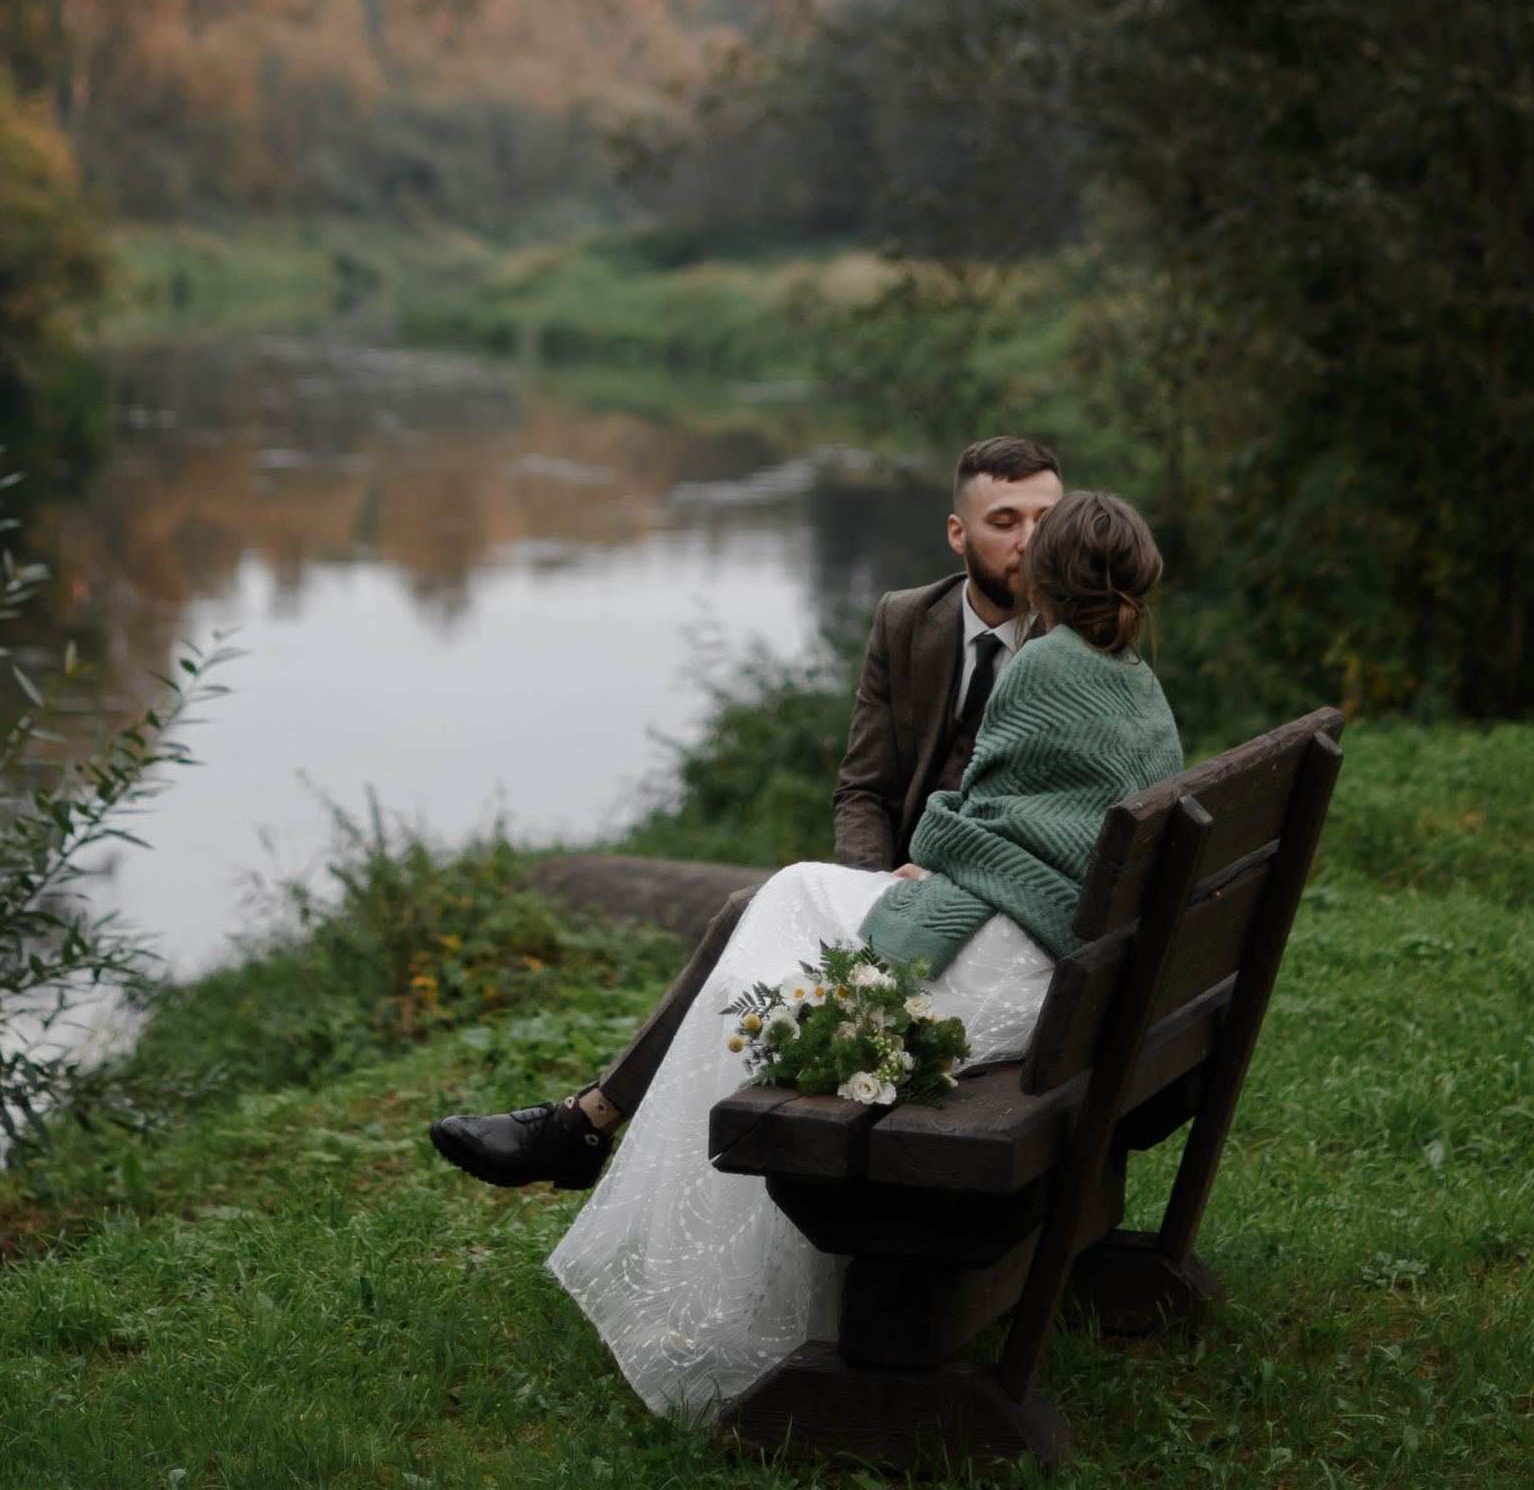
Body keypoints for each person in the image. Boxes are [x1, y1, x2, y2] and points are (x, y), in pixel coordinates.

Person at [544, 486, 1181, 1422]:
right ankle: (707, 1217)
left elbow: (979, 823)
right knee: (788, 915)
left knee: (787, 913)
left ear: (1049, 575)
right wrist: (946, 848)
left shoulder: (1045, 664)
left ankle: (711, 1286)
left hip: (1020, 967)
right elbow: (1041, 821)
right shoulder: (1136, 678)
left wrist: (934, 846)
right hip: (1076, 972)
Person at [428, 435, 1068, 1191]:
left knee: (750, 912)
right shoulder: (906, 620)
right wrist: (867, 900)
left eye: (1046, 519)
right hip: (898, 900)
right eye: (1005, 519)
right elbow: (863, 787)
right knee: (770, 927)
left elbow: (1052, 823)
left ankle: (585, 1122)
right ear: (958, 532)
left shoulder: (1076, 646)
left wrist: (915, 892)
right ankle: (601, 1128)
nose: (1030, 540)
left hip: (996, 918)